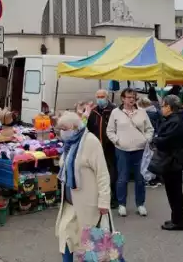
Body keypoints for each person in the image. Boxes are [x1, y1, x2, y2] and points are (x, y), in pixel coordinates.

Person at [55, 111, 110, 262]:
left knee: (90, 245)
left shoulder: (90, 142)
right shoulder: (69, 143)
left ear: (74, 127)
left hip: (88, 203)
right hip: (69, 203)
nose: (62, 132)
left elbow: (103, 174)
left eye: (64, 128)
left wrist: (104, 201)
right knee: (65, 236)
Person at [106, 88, 154, 217]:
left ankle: (140, 204)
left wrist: (146, 139)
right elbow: (109, 131)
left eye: (133, 97)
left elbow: (150, 129)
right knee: (122, 178)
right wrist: (117, 141)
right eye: (128, 97)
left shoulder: (142, 112)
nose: (131, 99)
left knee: (140, 178)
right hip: (122, 150)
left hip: (140, 150)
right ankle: (122, 204)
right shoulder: (116, 113)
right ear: (122, 98)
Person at [154, 95, 183, 231]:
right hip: (175, 159)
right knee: (175, 192)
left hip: (173, 160)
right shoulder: (177, 119)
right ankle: (178, 218)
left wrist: (156, 140)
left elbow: (165, 140)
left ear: (169, 107)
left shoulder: (175, 121)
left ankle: (178, 221)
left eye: (163, 106)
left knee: (174, 192)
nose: (161, 109)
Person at [86, 89, 118, 208]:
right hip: (97, 147)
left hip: (110, 147)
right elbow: (89, 128)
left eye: (102, 96)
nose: (100, 99)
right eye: (98, 96)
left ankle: (113, 198)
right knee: (99, 173)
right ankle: (100, 197)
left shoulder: (114, 110)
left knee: (112, 173)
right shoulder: (94, 111)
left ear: (107, 97)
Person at [137, 97, 162, 188]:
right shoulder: (157, 111)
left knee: (146, 160)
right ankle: (154, 178)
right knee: (153, 159)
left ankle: (148, 179)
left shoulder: (146, 114)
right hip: (157, 137)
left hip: (149, 139)